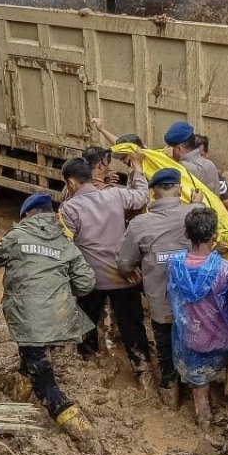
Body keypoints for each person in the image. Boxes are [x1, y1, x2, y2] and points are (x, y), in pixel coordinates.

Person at [0, 194, 95, 440]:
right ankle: (18, 399)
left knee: (45, 384)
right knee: (31, 361)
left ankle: (79, 428)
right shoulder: (65, 243)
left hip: (28, 317)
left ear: (27, 214)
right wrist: (62, 294)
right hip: (60, 318)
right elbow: (87, 282)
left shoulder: (15, 238)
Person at [59, 156, 153, 384]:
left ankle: (91, 366)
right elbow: (142, 196)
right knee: (132, 324)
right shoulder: (116, 194)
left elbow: (65, 246)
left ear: (71, 183)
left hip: (90, 280)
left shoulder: (69, 208)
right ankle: (143, 371)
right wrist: (138, 170)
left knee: (87, 322)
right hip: (125, 275)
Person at [117, 168, 201, 403]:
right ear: (178, 188)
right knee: (194, 348)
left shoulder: (139, 224)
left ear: (152, 193)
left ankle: (169, 397)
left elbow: (124, 264)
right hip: (194, 304)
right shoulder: (196, 213)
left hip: (161, 305)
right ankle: (199, 397)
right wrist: (197, 205)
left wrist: (134, 272)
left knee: (165, 352)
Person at [166, 208, 228, 428]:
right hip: (224, 338)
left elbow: (192, 267)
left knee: (199, 382)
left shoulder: (173, 264)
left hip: (192, 339)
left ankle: (205, 421)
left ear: (186, 233)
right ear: (214, 235)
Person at [163, 121, 228, 217]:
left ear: (178, 149)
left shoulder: (181, 167)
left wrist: (167, 160)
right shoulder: (209, 164)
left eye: (169, 148)